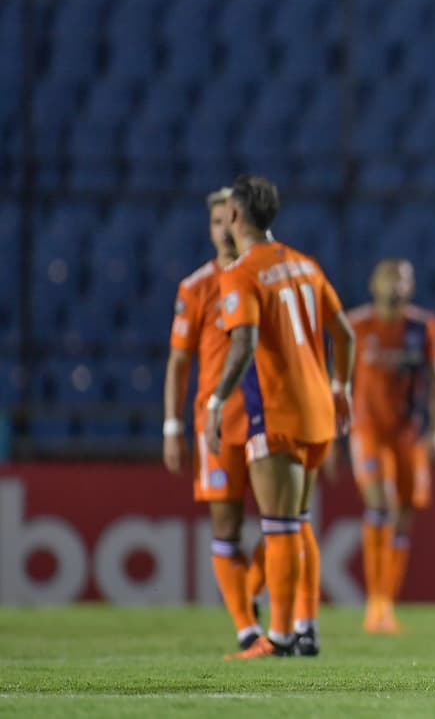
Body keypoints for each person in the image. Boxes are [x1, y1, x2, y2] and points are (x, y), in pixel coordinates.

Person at [204, 175, 355, 660]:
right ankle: (305, 628)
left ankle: (283, 636)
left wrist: (213, 402)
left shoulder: (241, 273)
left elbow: (243, 344)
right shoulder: (304, 264)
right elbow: (345, 334)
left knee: (280, 527)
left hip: (277, 411)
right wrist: (341, 387)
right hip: (319, 410)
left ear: (236, 216)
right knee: (298, 521)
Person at [163, 187, 263, 651]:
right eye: (216, 222)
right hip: (216, 424)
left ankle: (248, 596)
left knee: (285, 521)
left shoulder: (266, 276)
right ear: (209, 229)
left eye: (231, 219)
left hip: (267, 416)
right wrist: (172, 426)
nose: (225, 229)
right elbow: (179, 363)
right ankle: (247, 630)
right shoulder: (196, 287)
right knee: (226, 527)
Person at [346, 258, 435, 634]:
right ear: (373, 283)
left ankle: (384, 605)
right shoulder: (356, 326)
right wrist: (330, 435)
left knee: (403, 516)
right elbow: (335, 384)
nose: (396, 284)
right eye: (389, 276)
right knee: (383, 504)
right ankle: (375, 601)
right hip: (368, 432)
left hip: (408, 435)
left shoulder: (422, 326)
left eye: (404, 278)